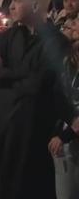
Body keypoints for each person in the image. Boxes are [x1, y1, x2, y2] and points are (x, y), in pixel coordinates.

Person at [0, 0, 79, 199]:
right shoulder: (9, 35)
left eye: (16, 1)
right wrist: (12, 73)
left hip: (30, 125)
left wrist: (4, 72)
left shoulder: (57, 42)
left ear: (34, 6)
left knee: (21, 184)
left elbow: (39, 83)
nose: (10, 5)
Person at [51, 17, 79, 199]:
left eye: (75, 24)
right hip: (65, 133)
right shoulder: (67, 61)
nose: (70, 27)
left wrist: (65, 135)